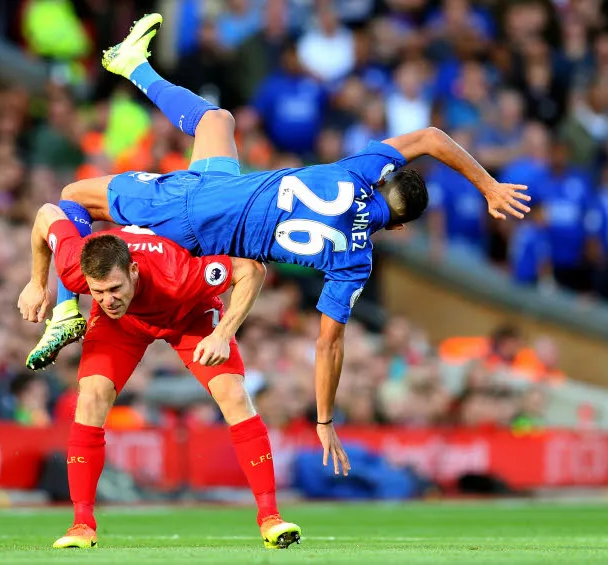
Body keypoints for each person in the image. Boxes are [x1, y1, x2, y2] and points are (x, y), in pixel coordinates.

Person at [28, 13, 531, 476]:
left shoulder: (353, 173)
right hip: (212, 215)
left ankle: (68, 306)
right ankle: (132, 63)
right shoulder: (354, 262)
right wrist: (325, 419)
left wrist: (488, 186)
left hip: (192, 205)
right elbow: (328, 345)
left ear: (383, 181)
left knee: (72, 198)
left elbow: (431, 138)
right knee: (216, 122)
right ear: (398, 227)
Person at [18, 203, 300, 549]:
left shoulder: (177, 273)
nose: (107, 299)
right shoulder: (73, 265)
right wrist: (36, 282)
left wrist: (223, 334)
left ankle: (270, 518)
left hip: (189, 314)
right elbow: (47, 212)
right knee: (90, 398)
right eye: (98, 292)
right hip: (123, 327)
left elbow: (251, 270)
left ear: (133, 270)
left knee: (234, 395)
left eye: (115, 289)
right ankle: (81, 526)